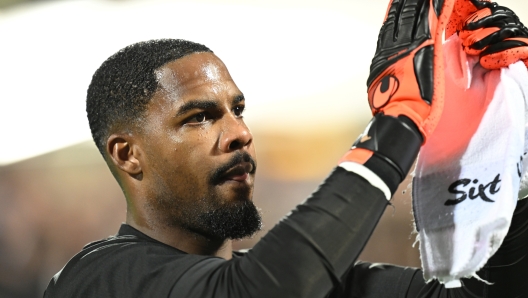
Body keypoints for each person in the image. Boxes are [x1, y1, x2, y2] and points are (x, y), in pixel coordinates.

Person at [44, 0, 528, 297]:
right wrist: (398, 125)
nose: (239, 132)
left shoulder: (314, 284)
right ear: (128, 154)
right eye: (199, 117)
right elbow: (274, 288)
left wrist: (504, 130)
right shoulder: (97, 280)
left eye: (238, 109)